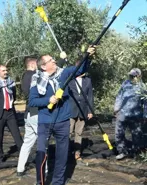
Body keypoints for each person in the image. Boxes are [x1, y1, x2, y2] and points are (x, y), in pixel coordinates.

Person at [28, 46, 96, 185]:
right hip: (45, 121)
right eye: (51, 60)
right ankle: (40, 182)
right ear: (43, 66)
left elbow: (80, 69)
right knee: (41, 153)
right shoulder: (36, 79)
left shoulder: (63, 74)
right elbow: (32, 101)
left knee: (62, 155)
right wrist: (48, 100)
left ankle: (58, 182)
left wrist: (87, 56)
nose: (54, 61)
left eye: (53, 59)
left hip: (63, 121)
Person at [16, 56, 45, 176]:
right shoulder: (33, 76)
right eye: (37, 64)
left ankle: (20, 169)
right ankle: (45, 171)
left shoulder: (24, 77)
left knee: (27, 142)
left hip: (28, 112)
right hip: (35, 112)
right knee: (43, 141)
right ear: (32, 64)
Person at [114, 68, 147, 160]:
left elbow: (146, 102)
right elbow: (119, 96)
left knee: (137, 134)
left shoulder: (143, 87)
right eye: (131, 75)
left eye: (134, 76)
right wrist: (116, 109)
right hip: (122, 114)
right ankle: (122, 152)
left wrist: (146, 115)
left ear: (139, 76)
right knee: (119, 133)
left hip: (136, 114)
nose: (133, 77)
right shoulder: (125, 84)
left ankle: (136, 152)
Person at [68, 70, 94, 161]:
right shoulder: (70, 79)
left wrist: (90, 111)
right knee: (68, 132)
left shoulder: (88, 80)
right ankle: (65, 153)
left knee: (79, 132)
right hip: (71, 110)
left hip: (83, 110)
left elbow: (90, 96)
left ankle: (77, 153)